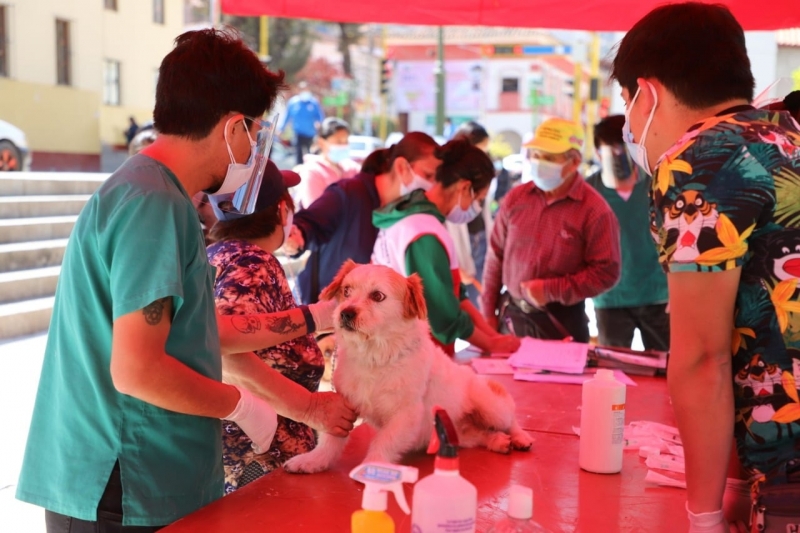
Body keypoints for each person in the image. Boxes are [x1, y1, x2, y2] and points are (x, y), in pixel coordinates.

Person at [15, 29, 351, 532]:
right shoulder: (154, 206)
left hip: (128, 478)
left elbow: (202, 332)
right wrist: (241, 406)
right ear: (235, 127)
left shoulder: (148, 191)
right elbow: (138, 371)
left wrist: (313, 323)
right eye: (255, 132)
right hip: (122, 483)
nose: (254, 149)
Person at [611, 3, 800, 531]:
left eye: (627, 103)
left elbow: (702, 359)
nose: (630, 124)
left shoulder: (699, 162)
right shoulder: (787, 139)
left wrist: (705, 515)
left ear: (645, 94)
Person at [206, 160, 354, 493]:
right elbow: (226, 350)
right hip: (256, 468)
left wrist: (316, 326)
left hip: (242, 460)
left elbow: (259, 337)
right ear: (280, 210)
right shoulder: (251, 262)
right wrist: (310, 408)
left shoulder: (219, 254)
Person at [372, 139, 521, 356]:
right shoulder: (422, 232)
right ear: (465, 187)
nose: (476, 208)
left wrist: (493, 336)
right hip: (411, 358)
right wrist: (491, 345)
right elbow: (441, 314)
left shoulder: (417, 220)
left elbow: (455, 295)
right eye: (478, 199)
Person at [481, 118, 621, 343]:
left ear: (574, 162)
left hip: (561, 322)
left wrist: (551, 290)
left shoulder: (595, 211)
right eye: (535, 155)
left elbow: (606, 273)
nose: (538, 163)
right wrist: (487, 313)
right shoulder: (515, 199)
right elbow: (495, 256)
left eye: (549, 158)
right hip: (512, 316)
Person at [284, 132, 440, 305]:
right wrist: (296, 235)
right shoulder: (350, 192)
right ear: (402, 166)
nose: (431, 184)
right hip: (326, 315)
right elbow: (312, 221)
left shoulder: (408, 210)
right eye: (427, 176)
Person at [585, 115, 669, 351]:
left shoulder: (658, 184)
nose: (617, 155)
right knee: (612, 371)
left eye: (623, 148)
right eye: (610, 150)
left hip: (657, 295)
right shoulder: (589, 191)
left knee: (664, 367)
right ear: (599, 152)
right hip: (610, 298)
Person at [450, 121, 492, 309]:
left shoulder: (482, 172)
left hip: (480, 239)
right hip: (460, 245)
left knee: (480, 301)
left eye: (485, 150)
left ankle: (479, 337)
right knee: (463, 301)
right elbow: (447, 223)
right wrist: (456, 263)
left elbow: (485, 211)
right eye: (479, 149)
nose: (483, 154)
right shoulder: (450, 175)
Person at [294, 117, 361, 209]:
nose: (344, 145)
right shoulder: (312, 172)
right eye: (338, 141)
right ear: (321, 142)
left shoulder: (352, 168)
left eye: (346, 141)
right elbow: (315, 211)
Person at [278, 81, 325, 165]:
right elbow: (287, 117)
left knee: (311, 156)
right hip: (297, 134)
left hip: (310, 134)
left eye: (306, 89)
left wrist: (321, 127)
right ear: (299, 90)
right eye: (303, 89)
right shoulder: (293, 102)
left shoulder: (313, 103)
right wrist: (281, 129)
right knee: (298, 157)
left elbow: (320, 117)